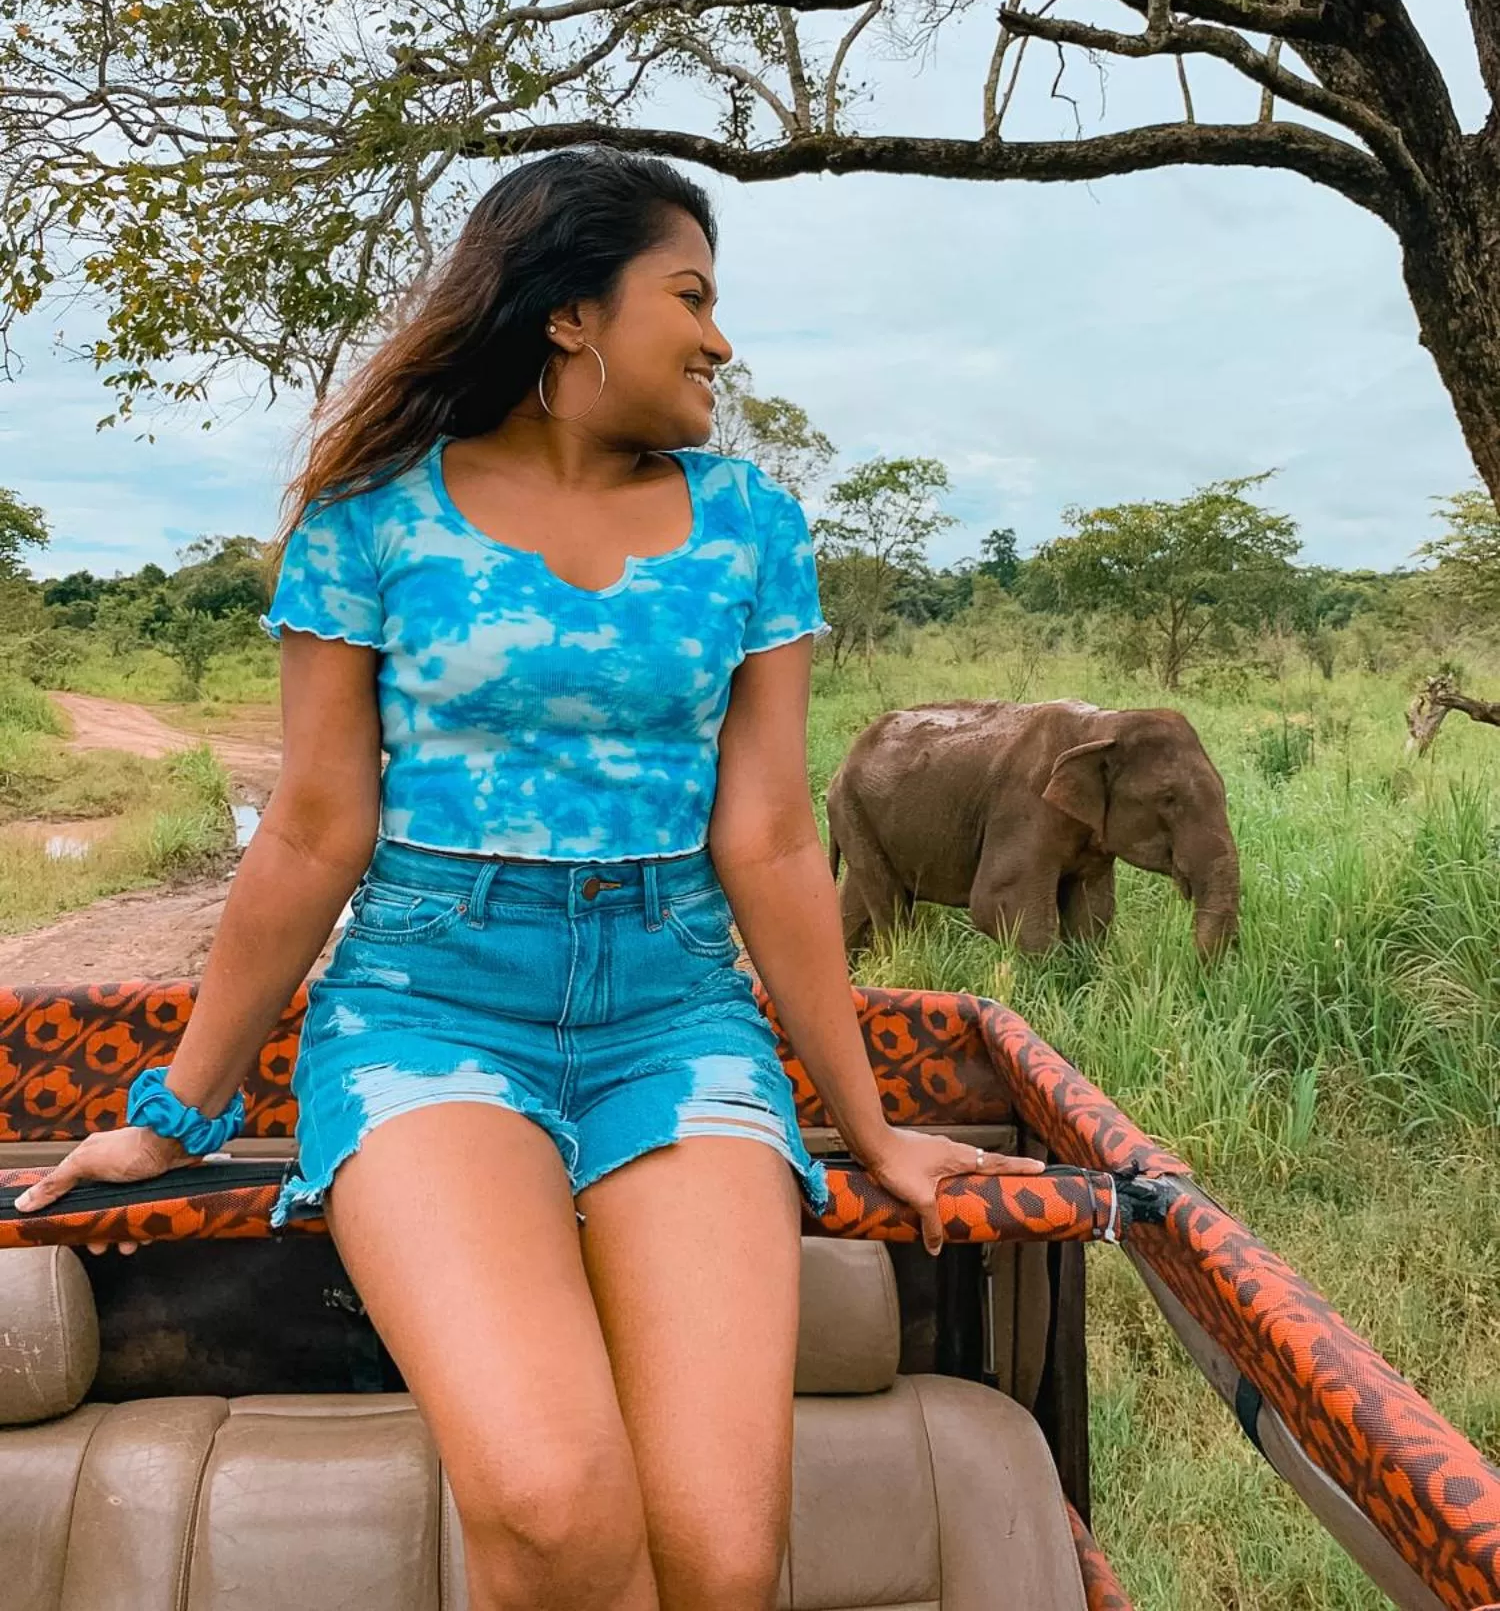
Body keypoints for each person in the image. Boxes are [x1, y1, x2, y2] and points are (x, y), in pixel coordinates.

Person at [16, 149, 1043, 1611]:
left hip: (678, 1017)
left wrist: (871, 1129)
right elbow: (313, 830)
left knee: (722, 1559)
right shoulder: (372, 518)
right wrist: (178, 1110)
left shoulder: (749, 523)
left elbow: (765, 838)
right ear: (571, 313)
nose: (720, 338)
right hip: (429, 1011)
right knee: (556, 1512)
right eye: (689, 296)